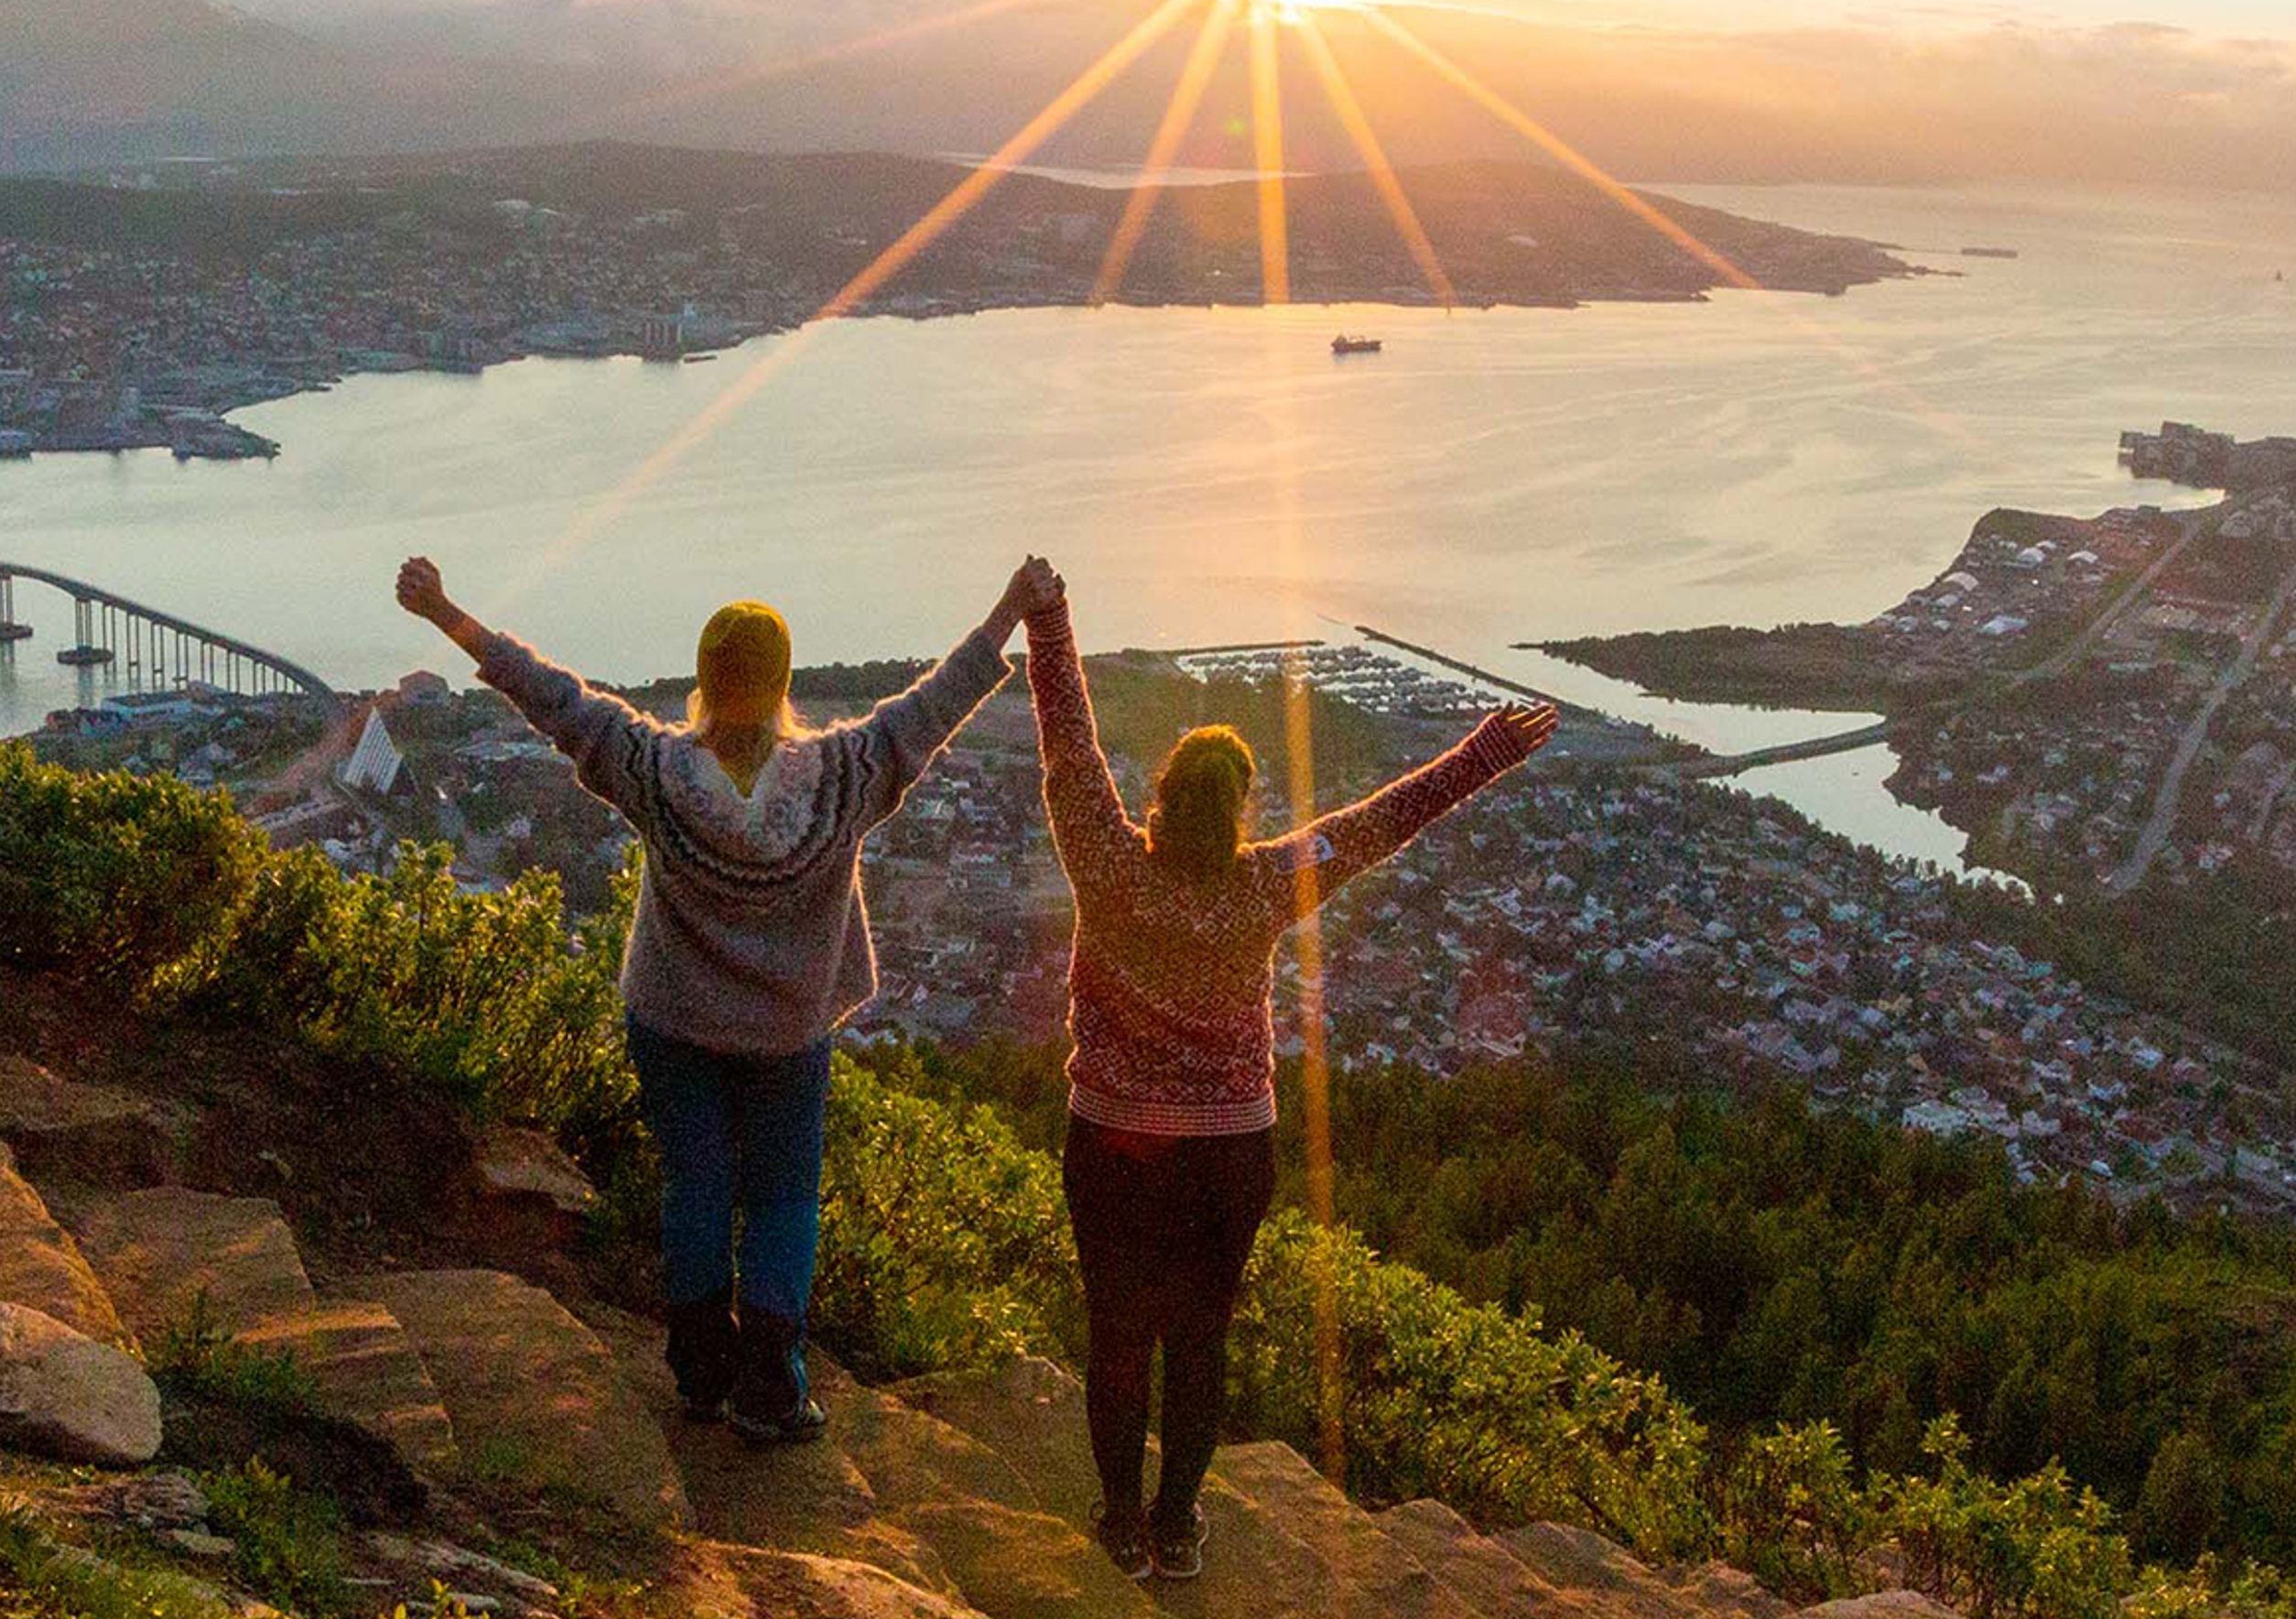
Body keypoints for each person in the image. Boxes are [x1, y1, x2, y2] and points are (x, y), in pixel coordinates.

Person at [396, 553, 1045, 1443]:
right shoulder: (842, 778)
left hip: (674, 1022)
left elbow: (549, 697)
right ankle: (771, 1391)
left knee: (695, 1185)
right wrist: (1011, 606)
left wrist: (445, 613)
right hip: (786, 1032)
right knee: (781, 1200)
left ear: (703, 681)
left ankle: (700, 1373)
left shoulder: (657, 773)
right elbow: (935, 706)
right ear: (784, 683)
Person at [1019, 564, 1554, 1579]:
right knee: (1201, 1338)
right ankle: (1178, 1529)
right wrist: (1487, 749)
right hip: (1227, 1154)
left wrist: (1051, 619)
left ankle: (1123, 1527)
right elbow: (1386, 823)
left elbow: (1068, 750)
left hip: (1117, 1143)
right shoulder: (1267, 881)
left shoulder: (1106, 859)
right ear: (1240, 813)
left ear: (1162, 799)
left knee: (1119, 1332)